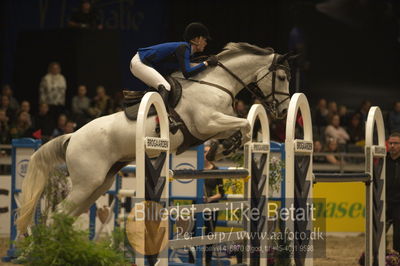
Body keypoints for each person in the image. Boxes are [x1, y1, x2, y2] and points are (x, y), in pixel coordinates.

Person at [127, 22, 218, 132]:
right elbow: (187, 73)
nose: (206, 42)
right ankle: (162, 121)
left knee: (165, 85)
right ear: (197, 39)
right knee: (165, 86)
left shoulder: (187, 51)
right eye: (204, 39)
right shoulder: (184, 48)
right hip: (140, 62)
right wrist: (206, 63)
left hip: (143, 63)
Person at [386, 131, 400, 253]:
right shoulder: (382, 160)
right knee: (378, 233)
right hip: (384, 202)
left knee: (398, 235)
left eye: (396, 143)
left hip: (399, 203)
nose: (392, 146)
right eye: (390, 143)